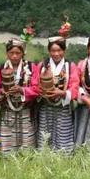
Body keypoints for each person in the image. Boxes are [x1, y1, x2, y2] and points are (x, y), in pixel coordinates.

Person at [36, 19, 79, 152]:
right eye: (53, 51)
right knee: (45, 134)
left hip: (63, 107)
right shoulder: (42, 66)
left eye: (59, 50)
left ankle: (64, 158)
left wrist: (62, 93)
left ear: (64, 51)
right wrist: (41, 91)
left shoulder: (70, 66)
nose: (56, 54)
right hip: (45, 106)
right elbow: (35, 84)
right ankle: (45, 157)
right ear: (49, 51)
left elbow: (75, 87)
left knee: (63, 135)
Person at [0, 37, 40, 154]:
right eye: (11, 53)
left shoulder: (31, 67)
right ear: (7, 53)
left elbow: (37, 88)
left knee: (27, 143)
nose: (14, 56)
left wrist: (22, 90)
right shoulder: (1, 68)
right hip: (7, 112)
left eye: (18, 53)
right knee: (7, 143)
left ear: (23, 53)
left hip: (26, 111)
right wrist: (1, 92)